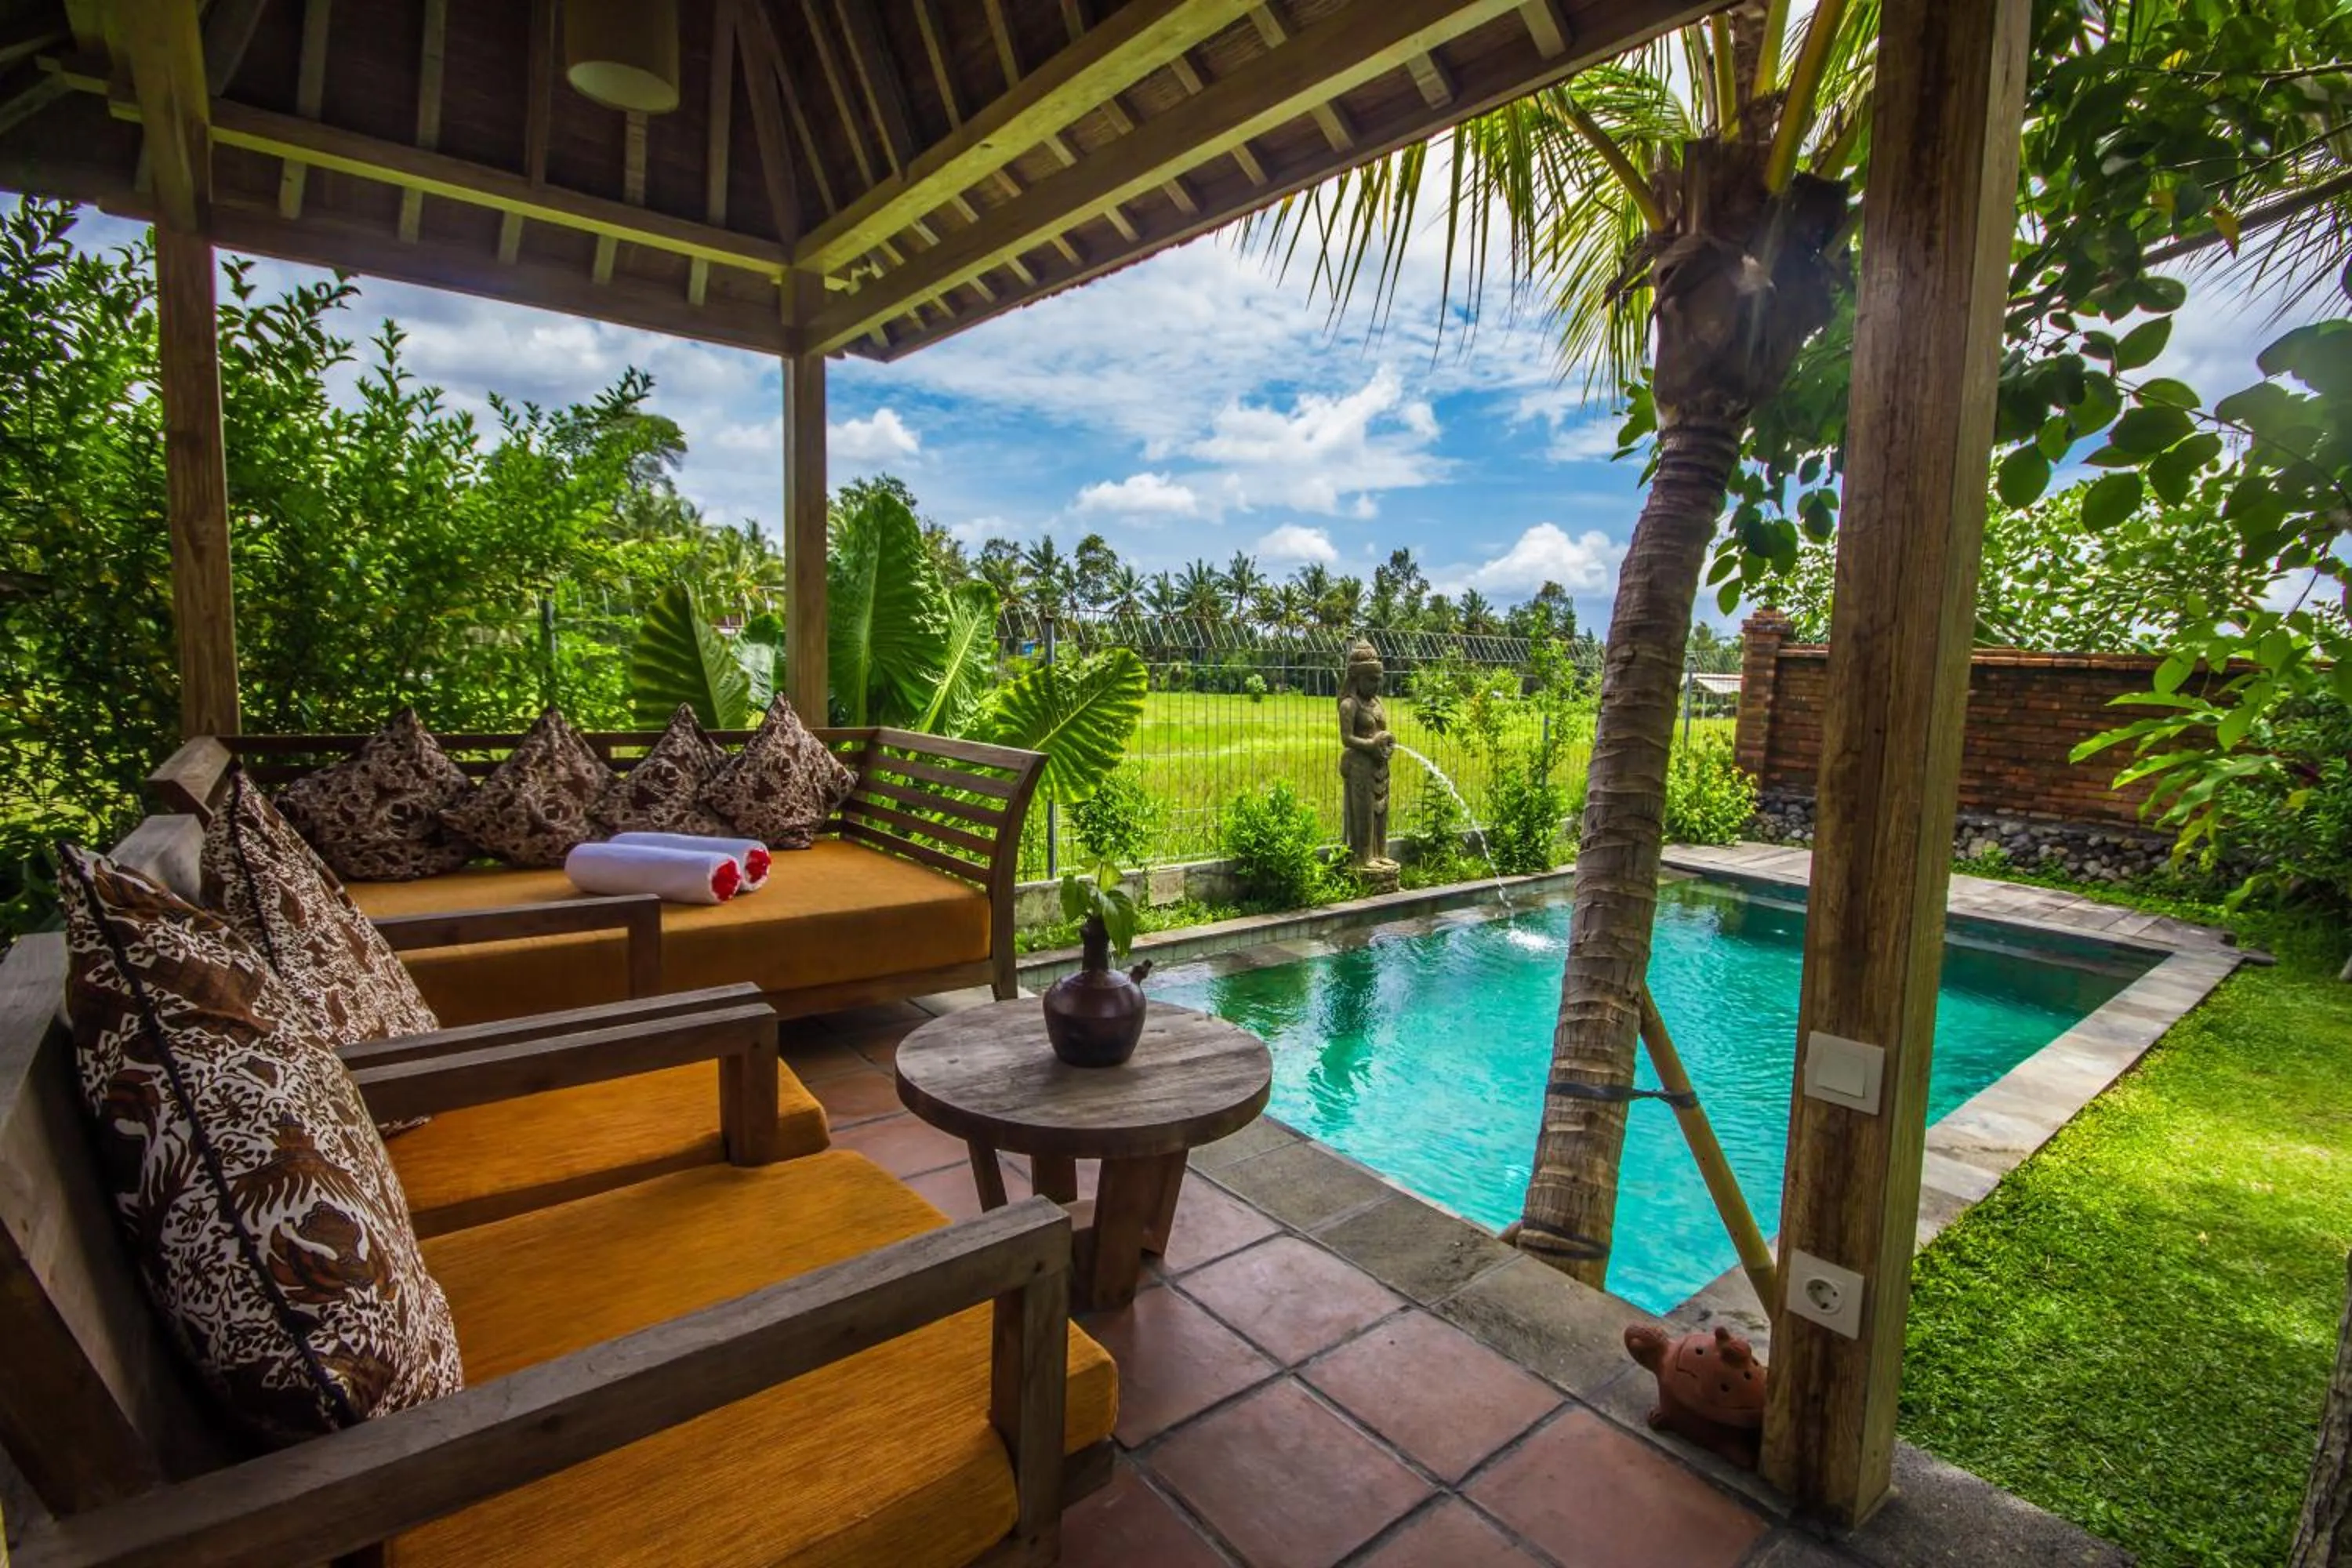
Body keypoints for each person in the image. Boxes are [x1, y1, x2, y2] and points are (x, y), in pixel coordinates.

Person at [1338, 639, 1397, 872]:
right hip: (1360, 766)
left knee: (1381, 811)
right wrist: (1371, 745)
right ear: (1357, 679)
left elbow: (1382, 731)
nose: (1376, 685)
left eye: (1378, 679)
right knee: (1364, 813)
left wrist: (1387, 743)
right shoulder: (1349, 705)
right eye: (1371, 680)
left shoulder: (1377, 703)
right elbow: (1347, 739)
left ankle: (1380, 852)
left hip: (1380, 766)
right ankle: (1363, 856)